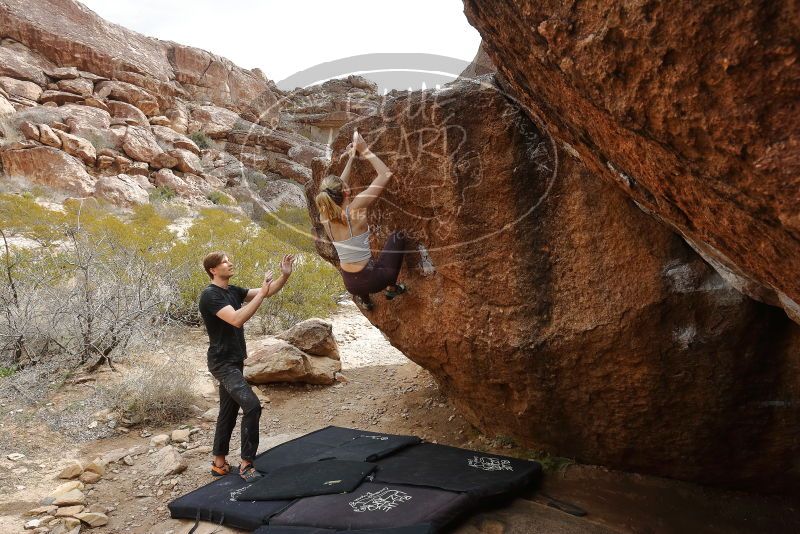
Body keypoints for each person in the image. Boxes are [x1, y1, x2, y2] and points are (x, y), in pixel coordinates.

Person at [198, 251, 295, 481]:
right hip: (222, 363)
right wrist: (261, 292)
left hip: (235, 360)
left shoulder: (232, 291)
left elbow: (267, 292)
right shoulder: (210, 296)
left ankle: (219, 463)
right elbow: (236, 319)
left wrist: (285, 276)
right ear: (213, 269)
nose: (229, 263)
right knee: (252, 406)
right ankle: (246, 465)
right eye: (224, 262)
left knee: (228, 412)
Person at [314, 130, 407, 310]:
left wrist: (351, 157)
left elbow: (336, 188)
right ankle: (392, 288)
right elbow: (385, 174)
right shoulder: (356, 207)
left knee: (357, 267)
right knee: (398, 236)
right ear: (346, 192)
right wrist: (364, 150)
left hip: (351, 285)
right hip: (375, 280)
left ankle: (365, 301)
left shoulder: (324, 215)